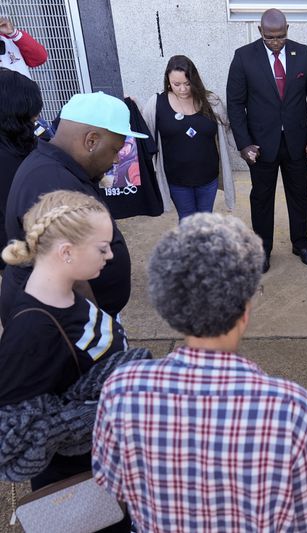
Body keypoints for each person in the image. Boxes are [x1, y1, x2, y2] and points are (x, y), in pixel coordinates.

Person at [92, 213, 307, 531]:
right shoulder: (293, 411)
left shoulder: (122, 391)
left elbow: (114, 488)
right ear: (245, 309)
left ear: (169, 304)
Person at [0, 190, 127, 492]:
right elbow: (9, 442)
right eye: (102, 248)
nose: (110, 256)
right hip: (78, 485)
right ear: (66, 251)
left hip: (104, 464)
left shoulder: (67, 294)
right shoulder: (33, 332)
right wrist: (98, 411)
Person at [1, 91, 145, 326]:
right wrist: (97, 332)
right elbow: (69, 272)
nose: (118, 160)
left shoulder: (53, 167)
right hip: (68, 328)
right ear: (91, 141)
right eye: (115, 150)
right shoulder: (51, 183)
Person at [226, 8, 307, 273]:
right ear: (260, 32)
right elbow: (235, 105)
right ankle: (263, 249)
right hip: (260, 145)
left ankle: (300, 244)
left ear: (287, 30)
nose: (276, 42)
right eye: (270, 37)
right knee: (261, 198)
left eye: (280, 36)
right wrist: (244, 143)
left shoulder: (304, 54)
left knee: (299, 195)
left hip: (297, 142)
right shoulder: (243, 57)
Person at [143, 54, 237, 220]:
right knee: (186, 219)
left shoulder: (211, 101)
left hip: (208, 177)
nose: (183, 89)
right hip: (176, 179)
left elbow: (228, 128)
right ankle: (190, 247)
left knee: (204, 218)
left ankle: (203, 247)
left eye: (187, 83)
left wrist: (245, 147)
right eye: (176, 84)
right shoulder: (156, 103)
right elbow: (145, 135)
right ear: (168, 81)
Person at [0, 68, 42, 270]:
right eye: (32, 112)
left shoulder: (19, 142)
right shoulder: (9, 159)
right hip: (17, 256)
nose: (37, 116)